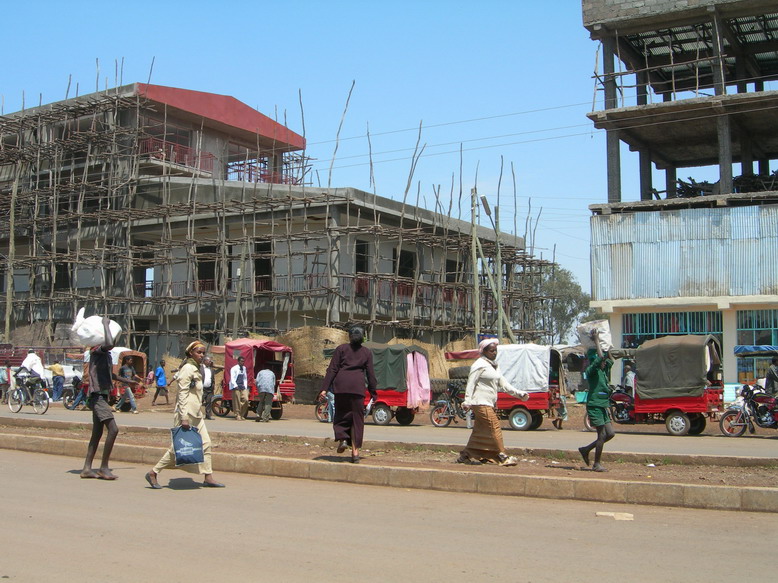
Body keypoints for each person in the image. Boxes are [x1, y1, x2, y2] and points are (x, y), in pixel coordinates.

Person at [145, 341, 224, 489]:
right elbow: (182, 394)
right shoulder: (187, 368)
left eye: (203, 353)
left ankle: (208, 477)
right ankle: (153, 472)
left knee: (206, 443)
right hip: (186, 413)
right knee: (178, 448)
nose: (201, 355)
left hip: (197, 413)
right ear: (190, 353)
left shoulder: (197, 368)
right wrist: (184, 418)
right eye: (198, 352)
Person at [457, 339, 528, 466]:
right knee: (494, 426)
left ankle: (465, 456)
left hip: (488, 403)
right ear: (483, 351)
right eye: (491, 350)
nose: (494, 353)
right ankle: (502, 456)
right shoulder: (479, 365)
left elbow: (503, 384)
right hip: (480, 403)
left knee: (479, 432)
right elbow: (471, 383)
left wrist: (519, 394)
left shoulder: (494, 366)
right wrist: (467, 401)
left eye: (495, 350)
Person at [318, 326, 378, 463]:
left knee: (341, 415)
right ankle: (355, 453)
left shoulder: (341, 349)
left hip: (341, 387)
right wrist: (373, 393)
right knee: (357, 420)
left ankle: (343, 439)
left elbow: (332, 369)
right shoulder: (366, 352)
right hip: (357, 388)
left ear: (349, 337)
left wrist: (324, 389)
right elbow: (371, 375)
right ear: (363, 338)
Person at [81, 316, 120, 480]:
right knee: (113, 429)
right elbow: (109, 344)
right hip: (97, 396)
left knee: (97, 433)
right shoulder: (96, 350)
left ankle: (87, 468)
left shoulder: (105, 355)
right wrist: (105, 324)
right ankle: (104, 467)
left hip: (101, 395)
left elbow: (109, 374)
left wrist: (127, 380)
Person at [579, 331, 615, 473]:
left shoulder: (603, 370)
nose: (604, 361)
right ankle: (596, 464)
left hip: (602, 405)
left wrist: (607, 346)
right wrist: (597, 341)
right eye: (602, 360)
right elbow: (600, 358)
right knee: (602, 435)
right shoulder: (592, 370)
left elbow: (610, 360)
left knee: (610, 434)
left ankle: (586, 449)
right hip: (594, 405)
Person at [229, 356, 249, 421]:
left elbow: (245, 378)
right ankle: (237, 415)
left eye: (243, 361)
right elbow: (232, 378)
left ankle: (242, 414)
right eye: (241, 361)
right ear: (238, 361)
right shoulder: (234, 368)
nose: (243, 362)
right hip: (236, 386)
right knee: (237, 401)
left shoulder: (244, 368)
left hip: (242, 386)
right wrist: (235, 385)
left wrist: (245, 386)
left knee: (246, 399)